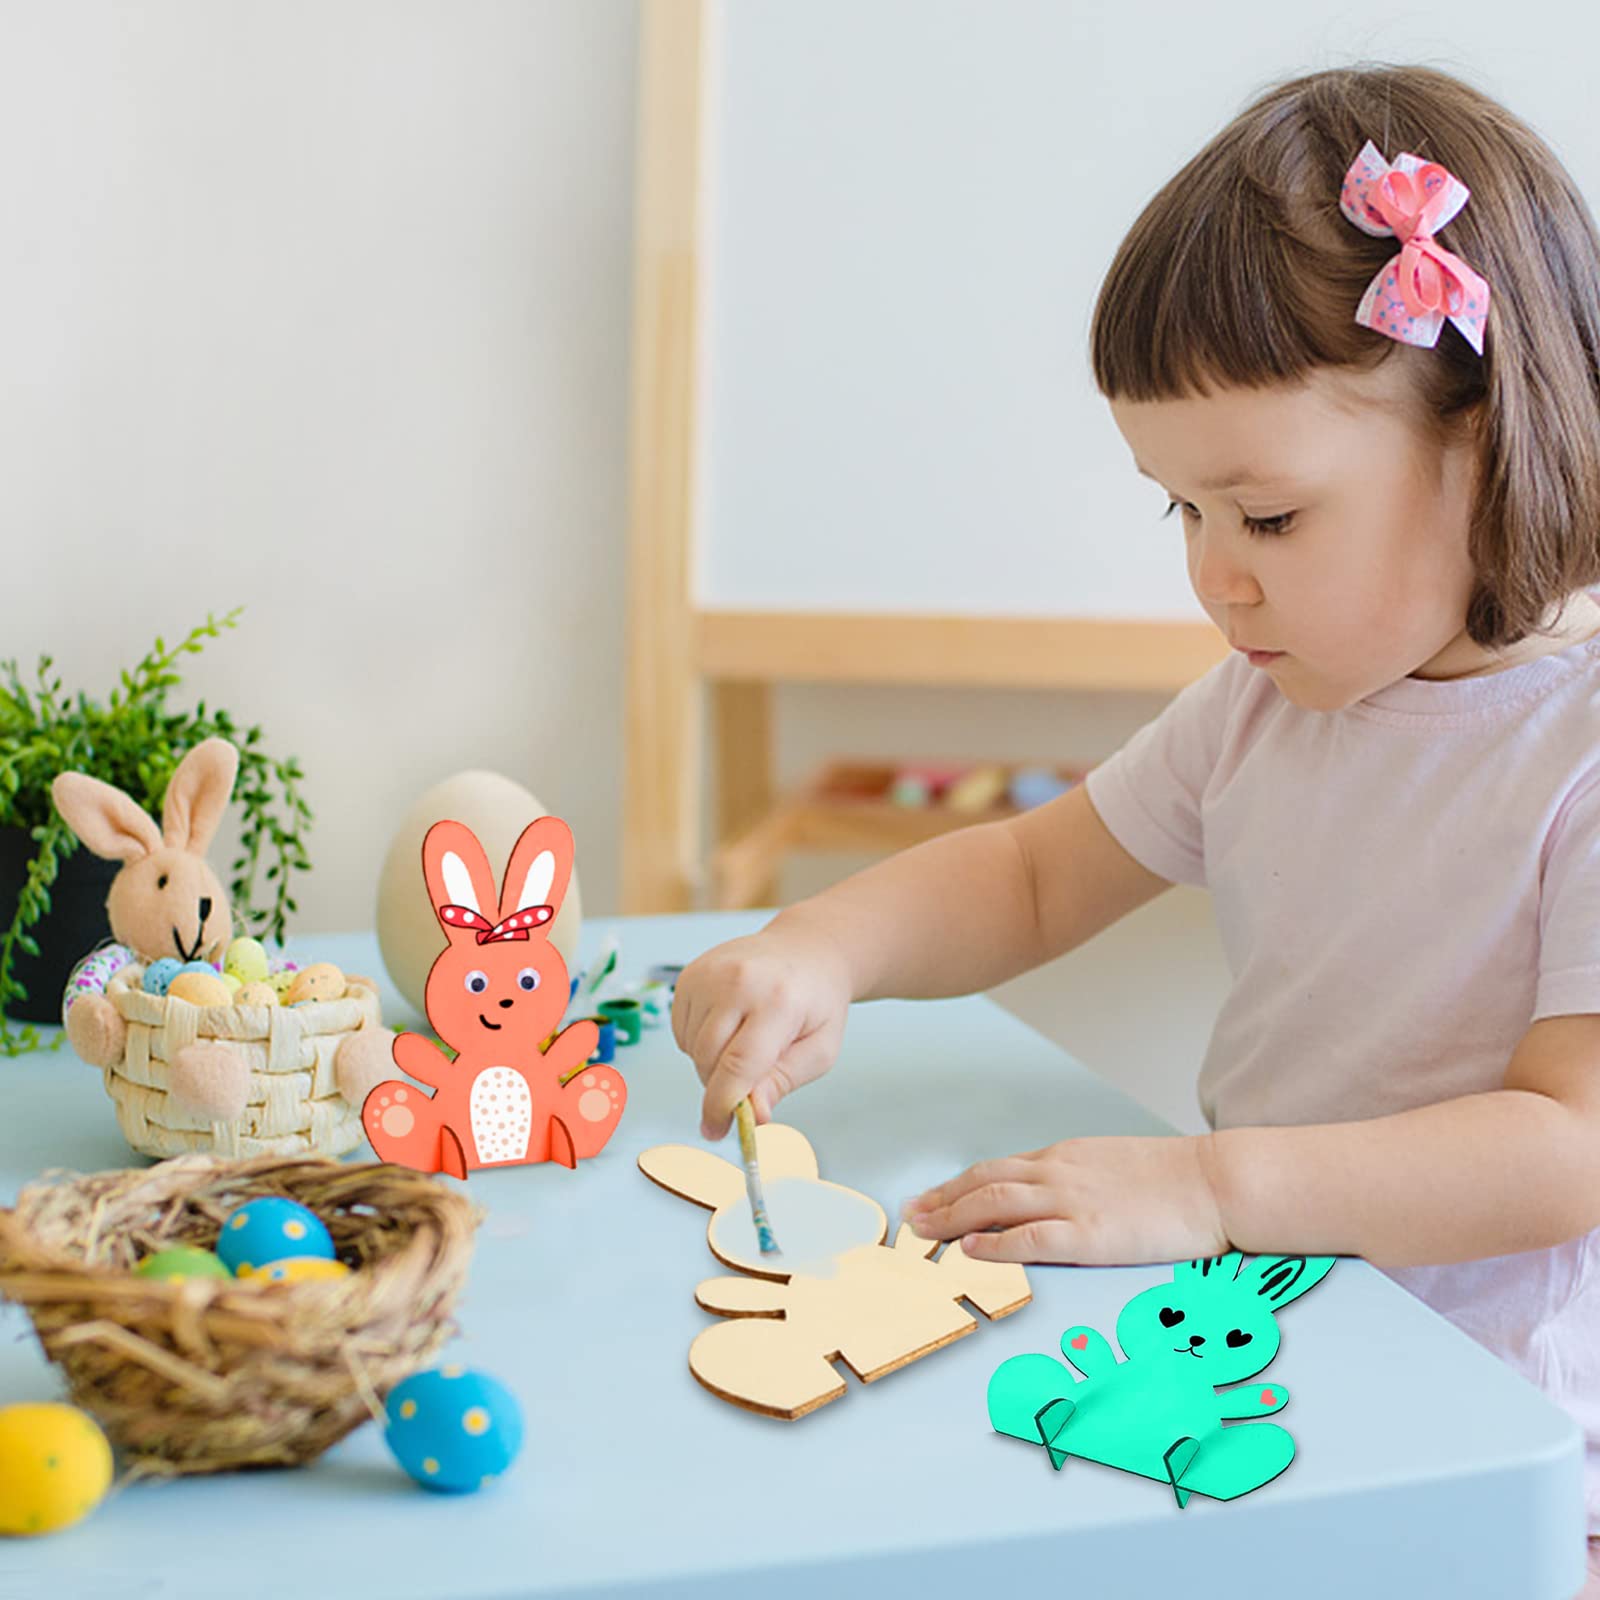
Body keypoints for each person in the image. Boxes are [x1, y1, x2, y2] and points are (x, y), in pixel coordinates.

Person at [670, 64, 1600, 1590]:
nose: (1215, 580)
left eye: (1271, 519)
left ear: (1490, 443)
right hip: (1279, 1351)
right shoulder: (1266, 704)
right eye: (1182, 513)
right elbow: (1036, 874)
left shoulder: (1577, 748)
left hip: (1505, 1451)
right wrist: (818, 947)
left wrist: (1206, 1189)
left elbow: (1570, 1148)